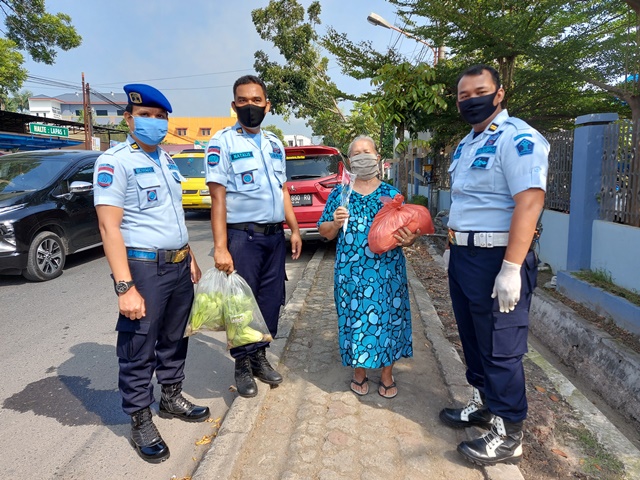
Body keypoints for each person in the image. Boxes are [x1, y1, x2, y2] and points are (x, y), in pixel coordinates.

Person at [439, 64, 549, 466]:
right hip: (465, 256)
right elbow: (467, 203)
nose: (471, 100)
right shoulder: (466, 145)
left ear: (499, 93)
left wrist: (511, 267)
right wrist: (454, 245)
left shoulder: (518, 138)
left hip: (498, 258)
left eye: (479, 92)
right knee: (472, 337)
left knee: (502, 348)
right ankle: (483, 404)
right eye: (463, 95)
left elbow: (530, 202)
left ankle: (509, 434)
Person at [94, 84, 210, 464]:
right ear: (129, 118)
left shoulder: (168, 160)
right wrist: (124, 286)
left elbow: (173, 216)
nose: (154, 124)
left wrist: (189, 255)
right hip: (143, 266)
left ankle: (171, 396)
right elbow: (110, 229)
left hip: (178, 265)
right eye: (146, 116)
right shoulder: (115, 162)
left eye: (161, 118)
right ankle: (140, 416)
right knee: (139, 345)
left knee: (175, 337)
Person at [205, 75, 302, 398]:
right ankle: (242, 366)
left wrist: (295, 228)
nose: (250, 107)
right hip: (242, 238)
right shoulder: (222, 143)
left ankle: (260, 357)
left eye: (256, 101)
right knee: (241, 306)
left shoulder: (275, 144)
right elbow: (218, 199)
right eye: (243, 101)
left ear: (267, 105)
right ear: (234, 105)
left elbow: (282, 190)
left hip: (274, 238)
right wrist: (221, 247)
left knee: (271, 302)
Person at [317, 135, 419, 399]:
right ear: (350, 162)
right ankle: (359, 372)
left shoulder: (392, 195)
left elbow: (408, 231)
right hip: (351, 273)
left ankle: (387, 374)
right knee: (355, 320)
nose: (362, 157)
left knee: (389, 320)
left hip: (387, 273)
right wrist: (337, 224)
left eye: (367, 152)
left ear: (377, 157)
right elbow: (324, 232)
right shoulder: (341, 194)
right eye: (356, 153)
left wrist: (409, 238)